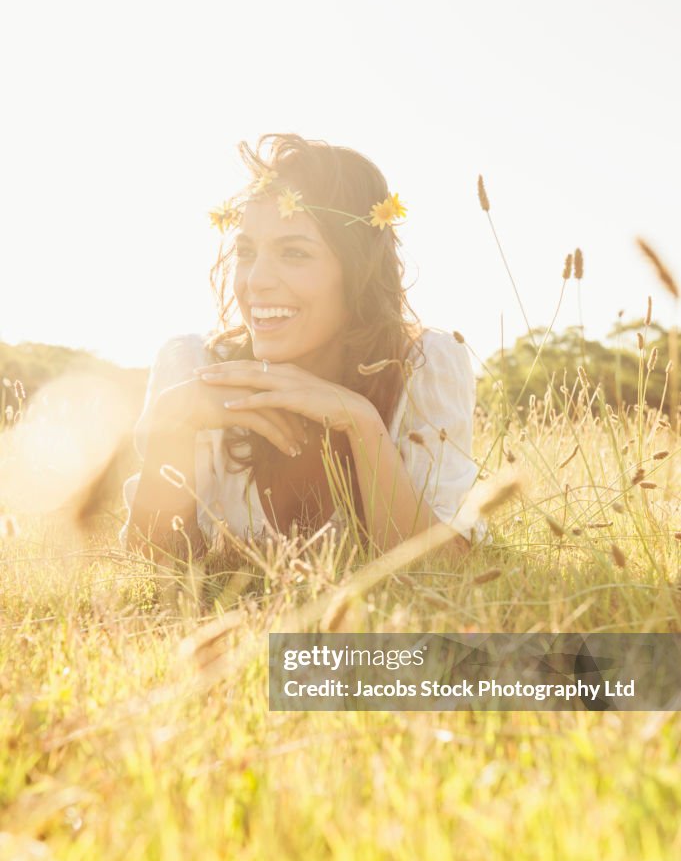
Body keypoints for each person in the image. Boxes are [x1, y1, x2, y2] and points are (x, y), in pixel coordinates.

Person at [120, 133, 485, 561]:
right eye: (246, 251)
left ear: (358, 270)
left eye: (293, 253)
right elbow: (156, 569)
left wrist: (362, 424)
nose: (255, 281)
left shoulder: (423, 365)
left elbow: (444, 567)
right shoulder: (193, 364)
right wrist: (172, 425)